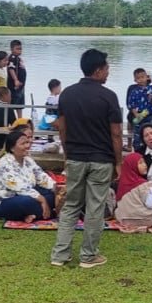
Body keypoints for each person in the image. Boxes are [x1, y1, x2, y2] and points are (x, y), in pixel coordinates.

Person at [51, 48, 123, 270]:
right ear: (99, 69)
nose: (108, 73)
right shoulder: (108, 97)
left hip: (75, 157)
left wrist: (67, 153)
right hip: (101, 159)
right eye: (107, 68)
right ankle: (88, 255)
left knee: (71, 204)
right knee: (94, 207)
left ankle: (60, 254)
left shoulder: (67, 94)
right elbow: (116, 134)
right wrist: (118, 161)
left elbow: (62, 128)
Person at [0, 130, 57, 222]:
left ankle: (31, 214)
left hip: (27, 195)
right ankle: (51, 213)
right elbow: (20, 187)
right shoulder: (5, 163)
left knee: (51, 195)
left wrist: (56, 188)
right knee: (26, 202)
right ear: (12, 148)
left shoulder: (28, 160)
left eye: (27, 142)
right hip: (4, 200)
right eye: (23, 144)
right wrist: (42, 200)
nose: (27, 146)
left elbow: (41, 176)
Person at [113, 152, 152, 234]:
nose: (144, 165)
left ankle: (135, 227)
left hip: (123, 219)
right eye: (140, 163)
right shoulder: (142, 184)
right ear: (132, 166)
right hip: (143, 219)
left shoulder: (122, 183)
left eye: (144, 162)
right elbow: (150, 204)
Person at [125, 67, 152, 147]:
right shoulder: (134, 90)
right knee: (137, 133)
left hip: (150, 115)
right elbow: (131, 104)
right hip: (139, 115)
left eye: (143, 77)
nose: (141, 80)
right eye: (138, 78)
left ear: (147, 78)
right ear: (135, 80)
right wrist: (136, 114)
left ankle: (151, 146)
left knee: (150, 131)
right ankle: (136, 147)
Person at [7, 39, 27, 106]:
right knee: (13, 101)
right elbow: (11, 69)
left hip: (21, 85)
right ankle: (10, 115)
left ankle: (19, 116)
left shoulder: (18, 58)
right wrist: (15, 80)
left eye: (20, 49)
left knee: (20, 103)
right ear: (12, 49)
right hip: (15, 86)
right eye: (17, 49)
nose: (19, 51)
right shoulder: (12, 58)